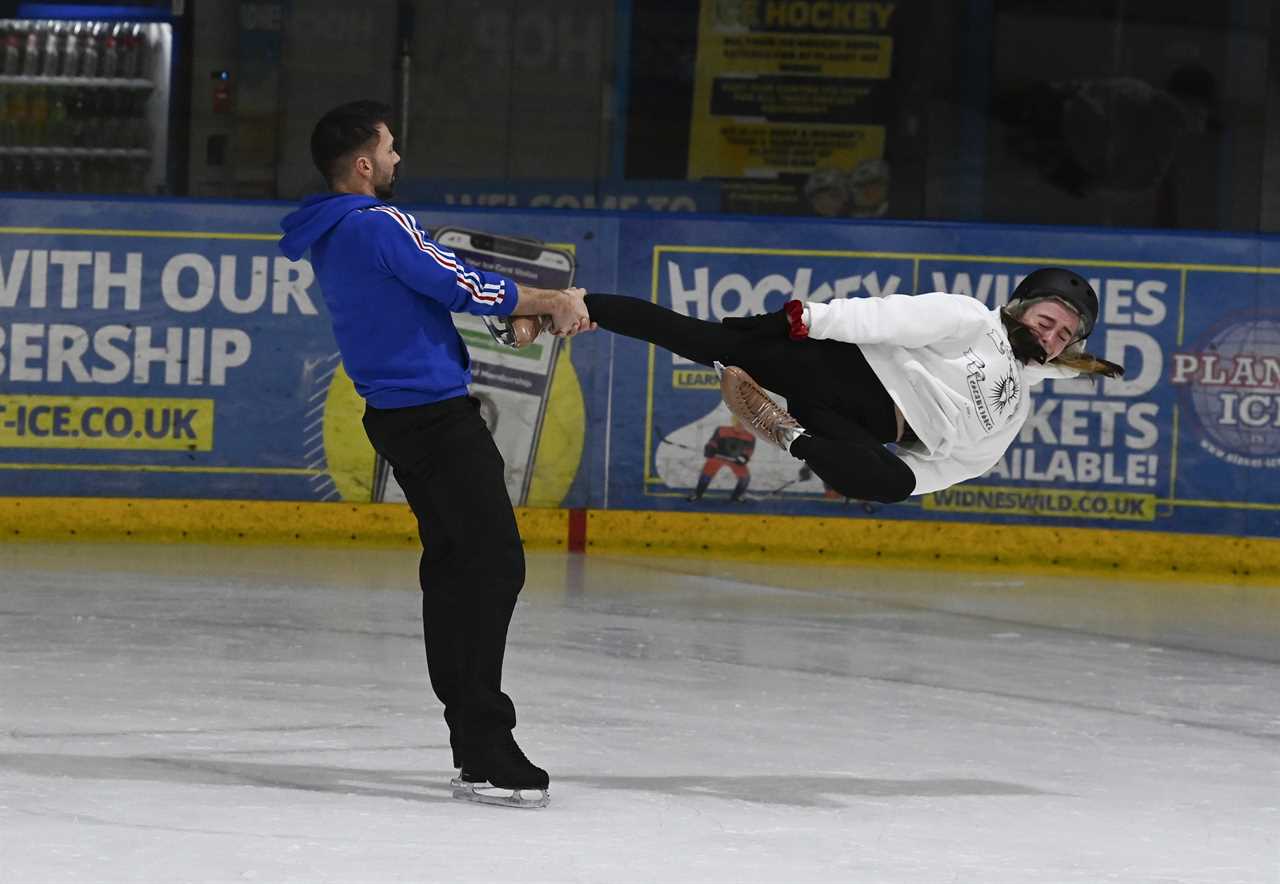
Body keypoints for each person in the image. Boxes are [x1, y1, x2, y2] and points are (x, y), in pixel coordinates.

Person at [278, 100, 591, 809]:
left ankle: (473, 745)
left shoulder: (332, 233)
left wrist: (513, 313)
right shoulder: (376, 222)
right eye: (388, 149)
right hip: (435, 420)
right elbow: (453, 280)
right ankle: (484, 740)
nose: (395, 160)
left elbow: (425, 300)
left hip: (399, 419)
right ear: (362, 164)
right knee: (493, 565)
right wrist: (549, 298)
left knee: (456, 572)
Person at [583, 268, 1122, 502]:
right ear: (1021, 308)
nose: (1049, 337)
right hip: (835, 369)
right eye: (1045, 321)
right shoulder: (971, 319)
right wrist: (797, 321)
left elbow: (954, 468)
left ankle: (782, 432)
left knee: (891, 484)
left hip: (852, 427)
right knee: (694, 337)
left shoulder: (1014, 412)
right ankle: (574, 306)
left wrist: (893, 478)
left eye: (1063, 336)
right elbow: (883, 319)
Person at [687, 416, 755, 503]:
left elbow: (748, 451)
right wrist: (710, 448)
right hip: (718, 457)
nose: (740, 426)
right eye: (738, 423)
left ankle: (736, 496)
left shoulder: (750, 437)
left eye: (743, 424)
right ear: (734, 422)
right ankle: (697, 494)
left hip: (735, 461)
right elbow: (713, 441)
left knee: (745, 478)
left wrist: (743, 458)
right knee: (706, 475)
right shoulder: (722, 430)